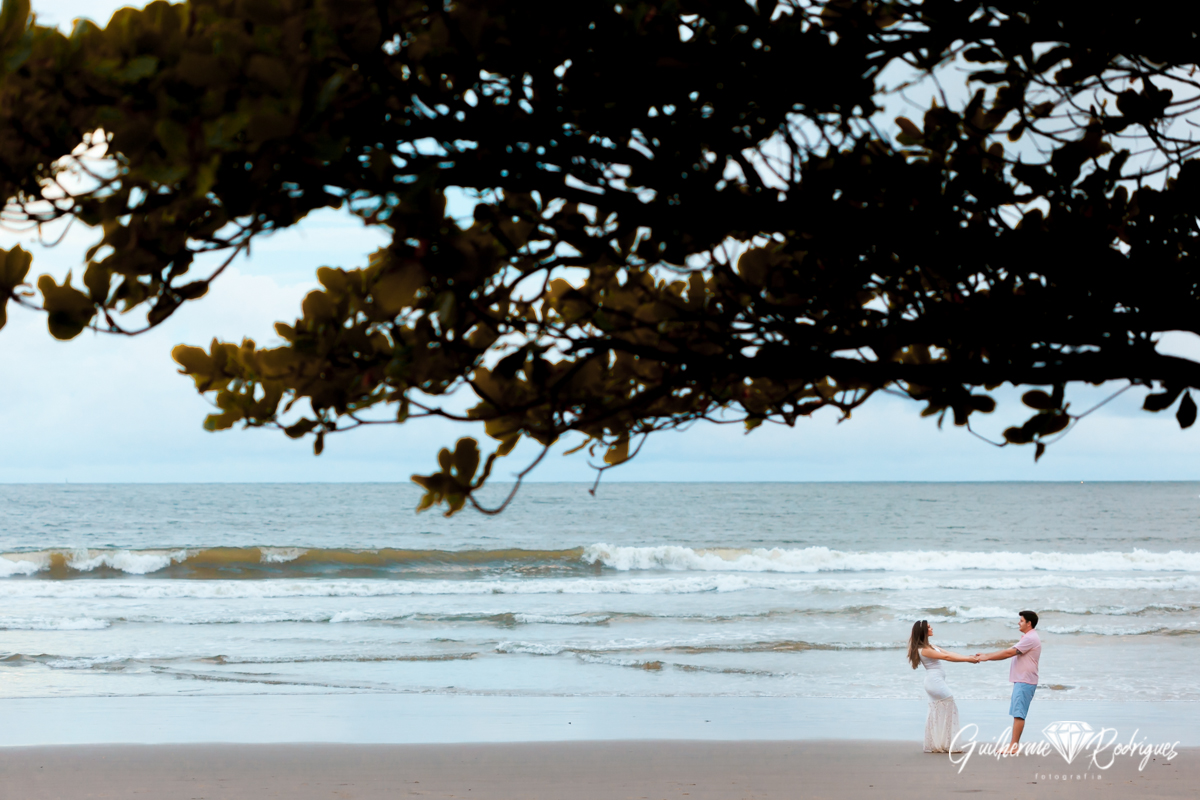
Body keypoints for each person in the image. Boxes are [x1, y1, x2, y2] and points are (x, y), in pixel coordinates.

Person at [975, 610, 1041, 754]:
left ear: (1029, 623)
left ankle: (1013, 746)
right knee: (1018, 713)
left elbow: (1008, 653)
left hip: (1025, 680)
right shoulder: (1028, 637)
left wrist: (987, 657)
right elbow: (1009, 651)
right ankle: (1013, 745)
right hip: (1023, 680)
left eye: (1022, 621)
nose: (1019, 622)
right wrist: (987, 655)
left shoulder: (1030, 638)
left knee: (1019, 714)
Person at [907, 619, 978, 753]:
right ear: (923, 631)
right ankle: (945, 744)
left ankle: (941, 743)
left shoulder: (930, 646)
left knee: (941, 711)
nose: (931, 628)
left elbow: (949, 654)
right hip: (934, 683)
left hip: (935, 682)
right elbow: (947, 658)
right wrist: (968, 660)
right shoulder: (923, 650)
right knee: (949, 706)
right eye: (929, 627)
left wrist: (969, 657)